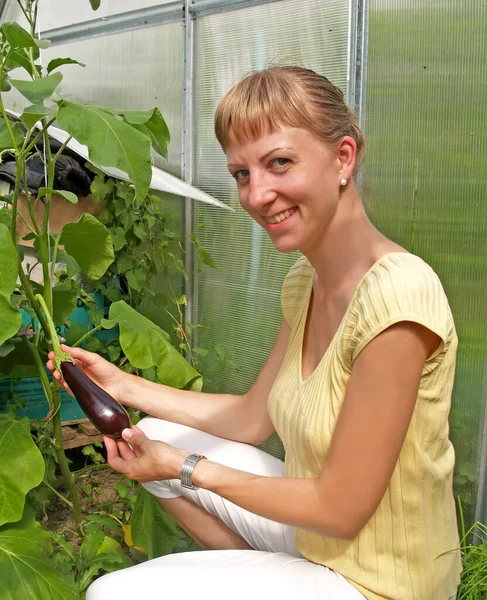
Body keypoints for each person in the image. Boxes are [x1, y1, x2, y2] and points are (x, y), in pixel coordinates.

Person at [48, 66, 461, 600]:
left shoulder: (398, 298)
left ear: (343, 157)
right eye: (242, 174)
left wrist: (184, 468)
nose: (258, 194)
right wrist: (124, 386)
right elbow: (252, 417)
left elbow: (339, 508)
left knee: (113, 593)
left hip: (384, 581)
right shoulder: (307, 282)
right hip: (320, 542)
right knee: (156, 436)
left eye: (279, 163)